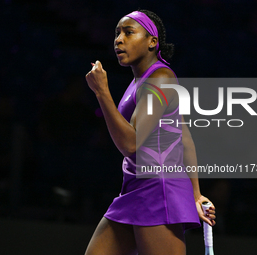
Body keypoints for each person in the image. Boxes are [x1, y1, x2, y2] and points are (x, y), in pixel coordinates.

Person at [85, 10, 216, 255]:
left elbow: (131, 145)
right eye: (116, 33)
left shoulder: (161, 78)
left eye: (128, 32)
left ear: (152, 42)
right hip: (134, 188)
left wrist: (102, 92)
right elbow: (184, 137)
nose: (118, 39)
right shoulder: (139, 82)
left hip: (158, 191)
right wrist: (196, 194)